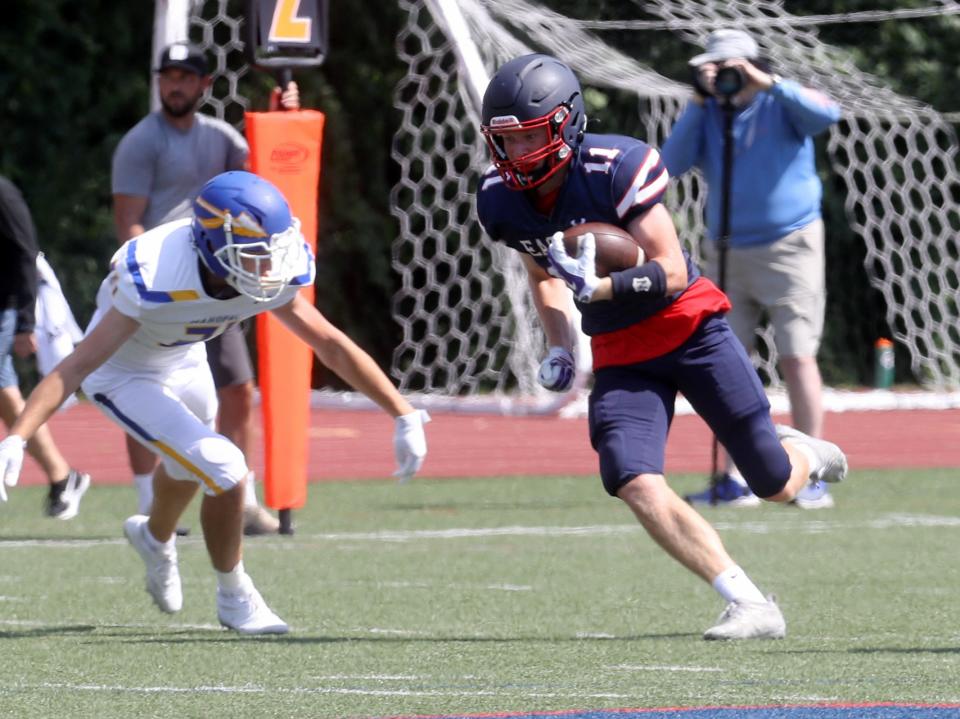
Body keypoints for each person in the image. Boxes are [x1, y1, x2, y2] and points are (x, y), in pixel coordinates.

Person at [476, 54, 847, 640]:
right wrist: (560, 345)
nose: (518, 153)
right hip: (621, 349)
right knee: (630, 474)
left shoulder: (614, 166)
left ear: (566, 124)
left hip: (689, 329)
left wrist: (604, 286)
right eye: (507, 140)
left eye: (529, 136)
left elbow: (671, 269)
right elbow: (541, 271)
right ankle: (749, 602)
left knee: (773, 482)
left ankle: (808, 454)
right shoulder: (499, 198)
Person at [0, 171, 430, 634]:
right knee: (225, 467)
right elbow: (78, 365)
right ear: (210, 246)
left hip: (184, 357)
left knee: (192, 464)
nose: (266, 267)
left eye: (271, 251)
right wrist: (18, 438)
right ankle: (234, 595)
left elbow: (329, 343)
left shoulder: (264, 268)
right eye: (253, 254)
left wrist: (402, 413)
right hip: (123, 375)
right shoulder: (157, 271)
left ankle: (154, 536)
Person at [111, 41, 301, 534]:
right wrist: (147, 286)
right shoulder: (140, 141)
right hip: (166, 284)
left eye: (184, 76)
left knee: (238, 387)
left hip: (220, 276)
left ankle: (243, 497)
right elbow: (129, 223)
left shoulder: (221, 139)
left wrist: (287, 117)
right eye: (167, 75)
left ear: (204, 85)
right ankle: (150, 500)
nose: (174, 84)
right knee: (142, 385)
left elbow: (265, 186)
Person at [660, 29, 842, 510]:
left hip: (791, 244)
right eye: (717, 69)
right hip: (726, 250)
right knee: (724, 364)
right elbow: (669, 164)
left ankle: (810, 472)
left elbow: (827, 113)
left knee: (797, 355)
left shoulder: (780, 101)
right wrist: (699, 101)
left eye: (733, 68)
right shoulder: (709, 113)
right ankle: (733, 477)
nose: (727, 78)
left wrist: (766, 82)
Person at [0, 174, 90, 519]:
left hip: (4, 306)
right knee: (6, 397)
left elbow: (25, 252)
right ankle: (62, 477)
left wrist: (24, 321)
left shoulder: (3, 193)